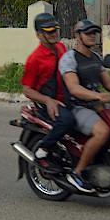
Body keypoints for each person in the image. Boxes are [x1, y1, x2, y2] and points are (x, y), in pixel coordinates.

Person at [58, 19, 110, 193]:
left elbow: (109, 84)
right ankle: (77, 172)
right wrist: (98, 96)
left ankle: (108, 163)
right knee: (103, 131)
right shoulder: (69, 58)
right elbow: (74, 88)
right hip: (77, 106)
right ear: (78, 36)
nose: (92, 36)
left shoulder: (96, 57)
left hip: (96, 106)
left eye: (94, 33)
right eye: (88, 33)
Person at [19, 13, 71, 169]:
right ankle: (42, 150)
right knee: (67, 120)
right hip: (46, 104)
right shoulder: (35, 59)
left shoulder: (61, 47)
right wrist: (48, 100)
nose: (54, 33)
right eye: (49, 31)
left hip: (65, 99)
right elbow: (27, 90)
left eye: (55, 29)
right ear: (38, 35)